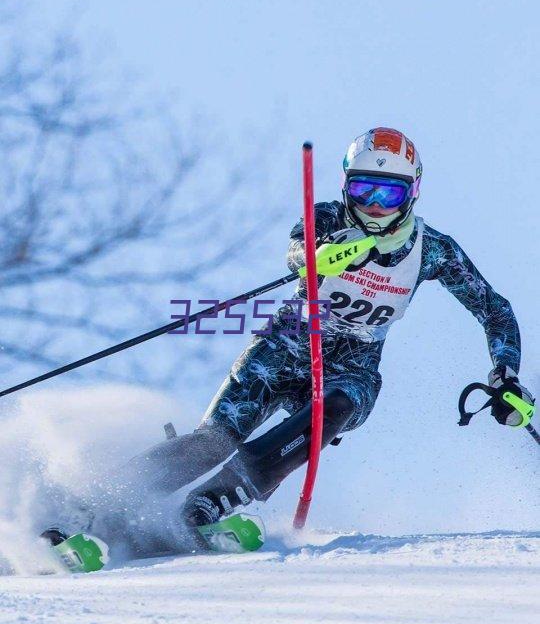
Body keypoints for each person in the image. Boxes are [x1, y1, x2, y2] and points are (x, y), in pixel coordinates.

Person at [42, 127, 535, 552]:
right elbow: (296, 253)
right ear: (346, 188)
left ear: (413, 194)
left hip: (352, 366)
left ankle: (212, 503)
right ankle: (93, 508)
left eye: (390, 194)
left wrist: (506, 372)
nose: (374, 207)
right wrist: (321, 256)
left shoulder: (433, 251)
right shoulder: (327, 218)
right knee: (211, 444)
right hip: (283, 349)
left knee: (336, 408)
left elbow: (494, 308)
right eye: (364, 191)